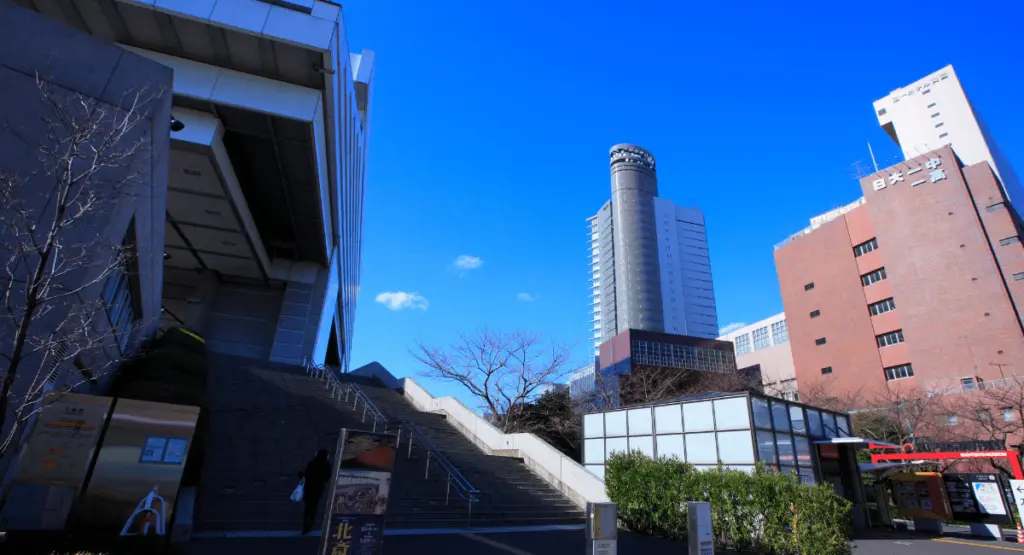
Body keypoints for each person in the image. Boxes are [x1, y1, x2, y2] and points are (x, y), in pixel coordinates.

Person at [299, 448, 331, 534]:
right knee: (314, 507)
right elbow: (328, 477)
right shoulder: (326, 464)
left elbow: (306, 474)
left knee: (308, 506)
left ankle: (306, 524)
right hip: (319, 487)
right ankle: (310, 524)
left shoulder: (312, 463)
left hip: (309, 487)